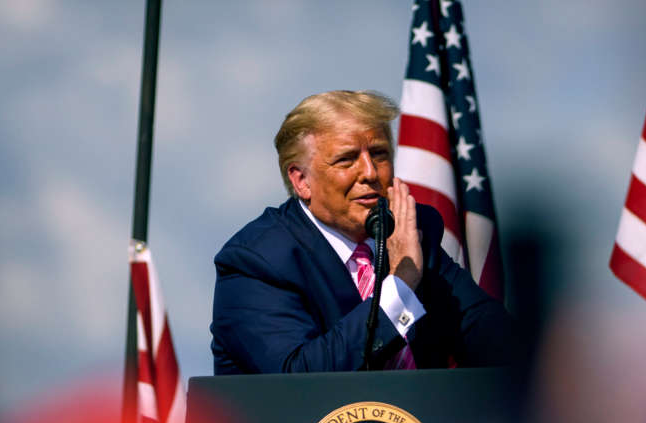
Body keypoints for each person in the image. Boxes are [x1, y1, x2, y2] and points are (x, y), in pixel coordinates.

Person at [211, 90, 516, 374]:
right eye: (347, 159)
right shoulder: (256, 260)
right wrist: (400, 284)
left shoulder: (411, 228)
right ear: (301, 180)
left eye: (380, 154)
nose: (370, 173)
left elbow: (485, 332)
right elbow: (299, 378)